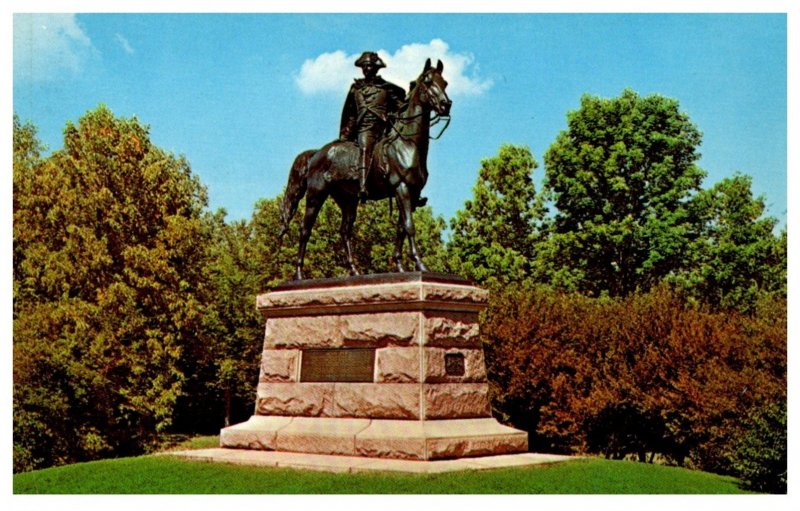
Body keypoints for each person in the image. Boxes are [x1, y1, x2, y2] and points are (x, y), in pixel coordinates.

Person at [339, 51, 406, 200]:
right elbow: (350, 113)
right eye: (364, 66)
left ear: (376, 67)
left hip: (384, 130)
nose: (366, 69)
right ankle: (363, 186)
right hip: (365, 129)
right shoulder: (355, 89)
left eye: (369, 66)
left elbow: (400, 106)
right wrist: (345, 135)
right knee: (365, 147)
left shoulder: (386, 88)